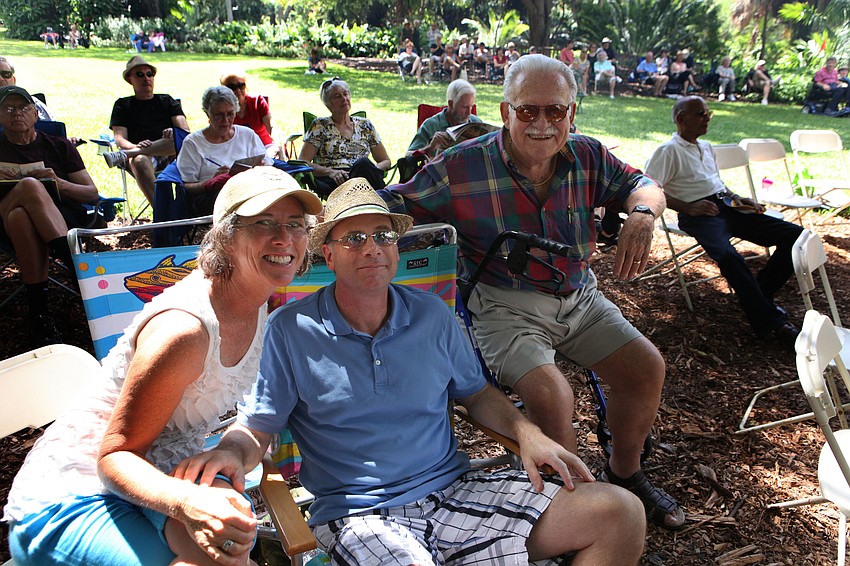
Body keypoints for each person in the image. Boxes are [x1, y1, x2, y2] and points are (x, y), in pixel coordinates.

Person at [177, 178, 647, 565]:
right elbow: (258, 424)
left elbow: (478, 393)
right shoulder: (290, 330)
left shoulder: (431, 315)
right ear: (328, 255)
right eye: (354, 238)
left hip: (455, 492)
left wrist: (527, 432)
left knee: (619, 512)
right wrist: (233, 454)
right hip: (360, 515)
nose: (372, 249)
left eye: (383, 235)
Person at [380, 54, 685, 530]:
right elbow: (397, 202)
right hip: (505, 304)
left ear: (571, 112)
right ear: (505, 112)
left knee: (646, 369)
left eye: (555, 111)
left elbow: (644, 184)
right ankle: (578, 508)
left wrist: (643, 214)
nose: (543, 123)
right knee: (552, 394)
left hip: (579, 296)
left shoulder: (587, 155)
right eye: (528, 111)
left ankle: (624, 475)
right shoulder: (463, 166)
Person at [3, 166, 323, 565]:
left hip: (160, 482)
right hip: (76, 495)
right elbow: (113, 456)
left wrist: (232, 453)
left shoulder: (259, 305)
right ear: (227, 235)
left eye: (296, 224)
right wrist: (190, 500)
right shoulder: (185, 331)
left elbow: (255, 419)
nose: (284, 238)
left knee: (230, 549)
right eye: (264, 222)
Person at [644, 96, 803, 344]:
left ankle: (757, 294)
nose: (706, 118)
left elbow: (717, 183)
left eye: (708, 113)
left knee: (796, 236)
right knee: (728, 256)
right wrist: (689, 206)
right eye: (700, 114)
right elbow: (649, 187)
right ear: (680, 118)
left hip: (727, 205)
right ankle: (771, 323)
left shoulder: (706, 147)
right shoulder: (668, 151)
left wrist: (739, 198)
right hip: (699, 214)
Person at [0, 85, 98, 346]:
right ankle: (73, 263)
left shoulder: (58, 145)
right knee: (29, 187)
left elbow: (90, 193)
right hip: (2, 219)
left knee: (21, 217)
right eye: (8, 108)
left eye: (22, 108)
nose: (16, 113)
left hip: (58, 217)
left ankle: (39, 315)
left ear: (35, 114)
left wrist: (58, 182)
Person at [103, 56, 190, 204]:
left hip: (170, 154)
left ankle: (129, 154)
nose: (146, 78)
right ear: (130, 79)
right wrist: (136, 147)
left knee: (175, 139)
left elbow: (184, 131)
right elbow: (119, 138)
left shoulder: (167, 100)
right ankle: (162, 212)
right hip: (141, 156)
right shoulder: (123, 105)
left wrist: (172, 130)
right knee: (139, 160)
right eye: (140, 74)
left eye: (149, 74)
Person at [176, 86, 268, 216]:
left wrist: (259, 169)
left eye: (230, 114)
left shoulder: (247, 135)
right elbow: (186, 187)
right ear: (207, 113)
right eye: (219, 115)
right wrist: (210, 182)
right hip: (211, 198)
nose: (225, 121)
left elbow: (268, 166)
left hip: (249, 189)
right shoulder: (193, 143)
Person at [298, 77, 391, 198]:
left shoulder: (365, 125)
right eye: (337, 96)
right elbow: (302, 162)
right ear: (328, 104)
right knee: (365, 169)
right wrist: (331, 172)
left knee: (362, 164)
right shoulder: (320, 126)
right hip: (334, 181)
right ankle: (386, 202)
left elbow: (386, 161)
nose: (344, 99)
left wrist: (371, 169)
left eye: (345, 94)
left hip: (364, 174)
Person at [407, 79, 482, 158]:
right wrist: (429, 148)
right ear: (451, 104)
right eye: (465, 107)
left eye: (471, 106)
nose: (469, 113)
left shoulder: (476, 122)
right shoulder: (431, 125)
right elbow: (407, 157)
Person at [220, 68, 279, 158]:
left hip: (265, 148)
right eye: (232, 87)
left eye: (241, 85)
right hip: (237, 152)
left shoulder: (257, 101)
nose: (238, 90)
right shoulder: (221, 108)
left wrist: (277, 146)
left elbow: (271, 126)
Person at [0, 56, 56, 121]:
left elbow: (52, 127)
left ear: (14, 80)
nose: (0, 79)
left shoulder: (34, 103)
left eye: (6, 74)